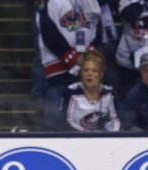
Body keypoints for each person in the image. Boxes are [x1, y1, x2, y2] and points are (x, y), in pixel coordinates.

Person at [35, 0, 102, 130]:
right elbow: (48, 32)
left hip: (86, 71)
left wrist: (90, 56)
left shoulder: (89, 2)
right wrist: (70, 56)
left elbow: (97, 28)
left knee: (88, 118)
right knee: (56, 119)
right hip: (59, 72)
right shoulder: (51, 2)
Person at [60, 49, 121, 132]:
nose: (89, 74)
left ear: (101, 75)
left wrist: (111, 135)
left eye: (94, 71)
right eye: (86, 70)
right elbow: (66, 121)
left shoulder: (110, 93)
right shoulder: (71, 92)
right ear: (81, 73)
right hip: (77, 139)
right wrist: (86, 135)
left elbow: (116, 120)